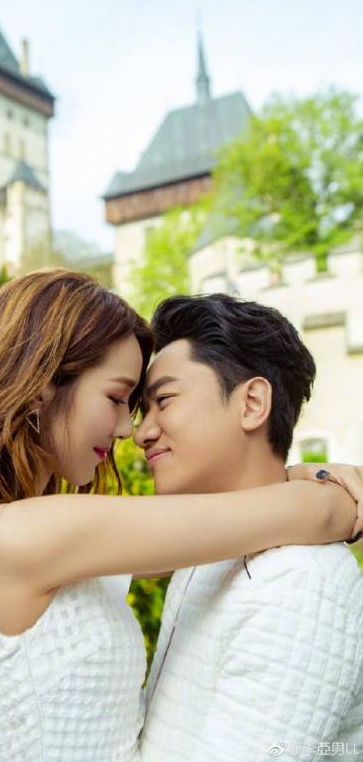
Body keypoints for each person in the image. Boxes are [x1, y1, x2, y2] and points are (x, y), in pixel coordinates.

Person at [0, 269, 362, 762]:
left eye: (152, 402)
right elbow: (305, 514)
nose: (131, 431)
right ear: (41, 386)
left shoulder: (35, 537)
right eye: (116, 398)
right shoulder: (24, 534)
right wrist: (337, 494)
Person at [132, 293, 363, 761]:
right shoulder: (206, 555)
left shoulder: (303, 578)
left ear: (253, 403)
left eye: (164, 401)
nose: (142, 433)